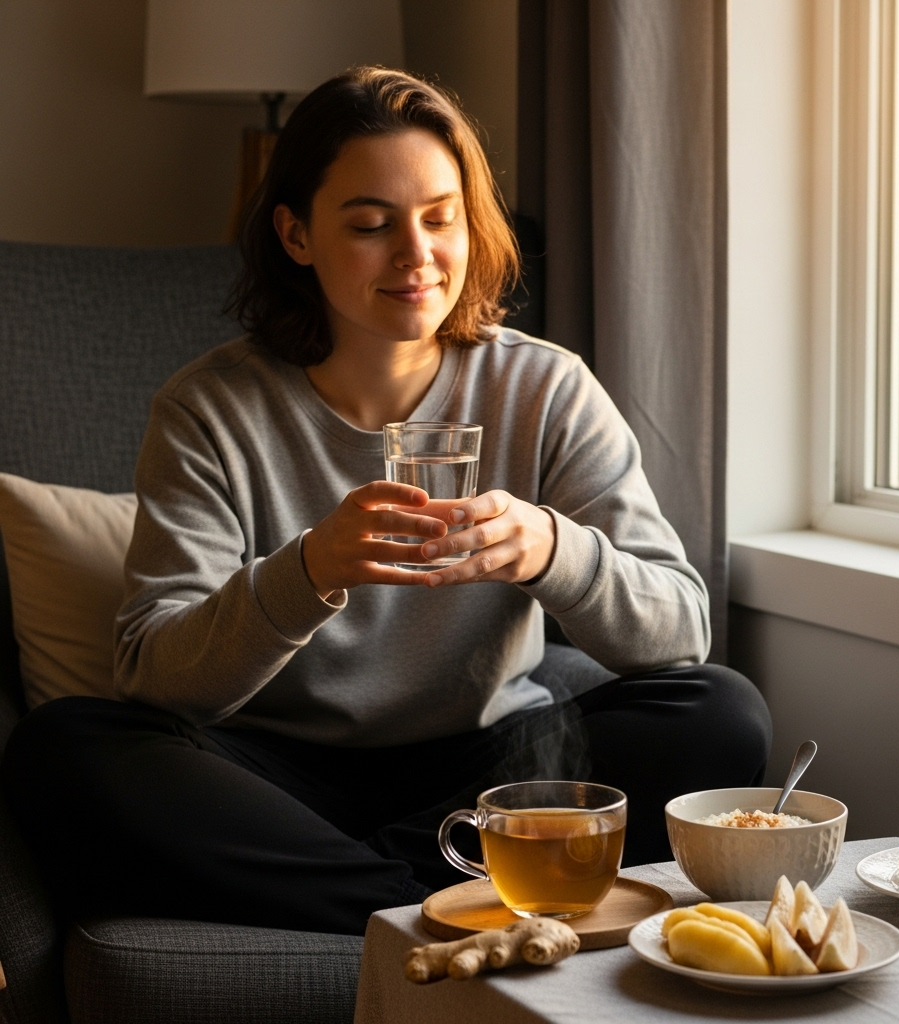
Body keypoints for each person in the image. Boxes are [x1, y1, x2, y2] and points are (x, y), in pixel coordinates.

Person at [2, 68, 771, 936]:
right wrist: (308, 569)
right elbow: (153, 673)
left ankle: (356, 894)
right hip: (270, 775)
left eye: (441, 219)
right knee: (60, 746)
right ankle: (428, 901)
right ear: (296, 235)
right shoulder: (210, 408)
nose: (417, 256)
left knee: (721, 711)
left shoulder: (544, 388)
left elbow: (679, 629)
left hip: (484, 772)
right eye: (371, 226)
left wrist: (552, 551)